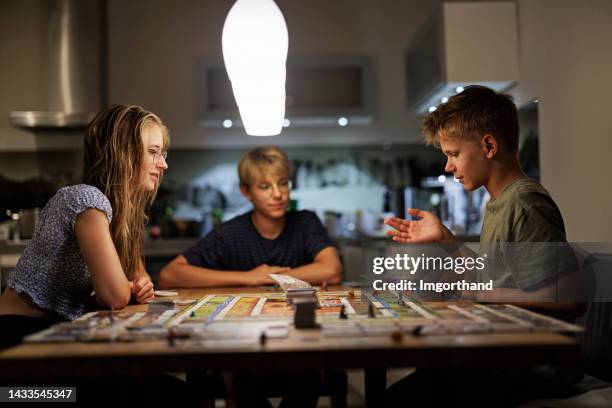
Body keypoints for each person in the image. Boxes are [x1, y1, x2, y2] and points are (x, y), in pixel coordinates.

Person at [383, 86, 583, 407]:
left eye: (453, 154)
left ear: (488, 145)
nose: (448, 166)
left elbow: (570, 298)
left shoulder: (525, 202)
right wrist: (448, 241)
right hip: (504, 355)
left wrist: (479, 295)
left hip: (531, 368)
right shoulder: (499, 203)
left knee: (400, 398)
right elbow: (491, 279)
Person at [0, 104, 169, 349]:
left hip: (55, 331)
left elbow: (137, 277)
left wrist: (139, 286)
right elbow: (115, 296)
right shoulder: (87, 200)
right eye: (153, 152)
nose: (162, 164)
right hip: (17, 335)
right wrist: (125, 288)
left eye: (162, 153)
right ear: (124, 154)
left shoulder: (122, 214)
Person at [159, 145, 341, 288]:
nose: (278, 194)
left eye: (283, 183)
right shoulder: (230, 233)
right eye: (265, 187)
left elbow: (332, 270)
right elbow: (169, 275)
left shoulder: (305, 222)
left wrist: (271, 278)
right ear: (246, 191)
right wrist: (249, 278)